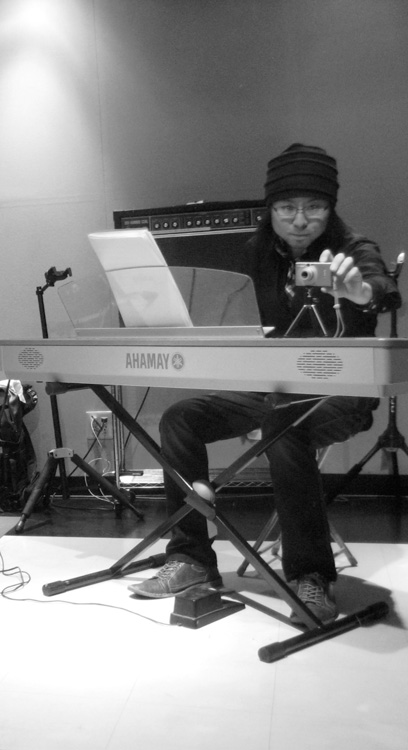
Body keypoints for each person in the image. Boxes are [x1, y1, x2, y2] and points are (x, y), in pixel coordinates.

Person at [128, 144, 401, 625]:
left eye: (314, 207)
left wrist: (357, 290)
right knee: (180, 418)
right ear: (270, 209)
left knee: (283, 423)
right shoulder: (256, 253)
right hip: (271, 388)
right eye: (287, 208)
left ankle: (311, 575)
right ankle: (191, 557)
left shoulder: (353, 249)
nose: (301, 220)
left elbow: (382, 290)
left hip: (340, 393)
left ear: (331, 208)